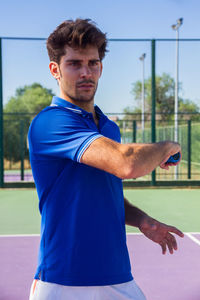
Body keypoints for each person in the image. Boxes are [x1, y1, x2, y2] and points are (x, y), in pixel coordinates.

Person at [28, 19, 184, 300]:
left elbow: (106, 191)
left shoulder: (108, 128)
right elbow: (127, 164)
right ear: (55, 70)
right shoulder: (50, 123)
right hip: (63, 282)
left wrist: (142, 220)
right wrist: (168, 145)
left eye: (93, 63)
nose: (86, 72)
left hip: (117, 276)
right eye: (75, 63)